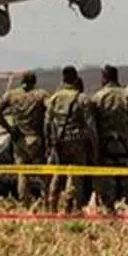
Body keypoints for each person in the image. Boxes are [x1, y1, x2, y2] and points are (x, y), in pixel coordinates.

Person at [88, 65, 128, 208]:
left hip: (106, 148)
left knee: (108, 186)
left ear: (104, 78)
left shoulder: (97, 98)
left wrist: (94, 150)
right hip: (126, 148)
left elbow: (92, 127)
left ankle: (110, 211)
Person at [45, 65, 99, 212]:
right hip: (77, 142)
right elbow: (90, 126)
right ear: (76, 79)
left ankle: (52, 206)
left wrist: (49, 144)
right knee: (76, 175)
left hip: (58, 141)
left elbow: (47, 123)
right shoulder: (82, 99)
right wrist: (95, 146)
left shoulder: (54, 98)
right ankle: (72, 207)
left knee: (58, 174)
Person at [0, 71, 50, 202]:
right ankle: (47, 201)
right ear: (34, 81)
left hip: (18, 139)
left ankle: (24, 203)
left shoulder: (11, 95)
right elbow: (51, 108)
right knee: (43, 172)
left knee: (22, 174)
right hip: (36, 138)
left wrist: (9, 128)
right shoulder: (40, 94)